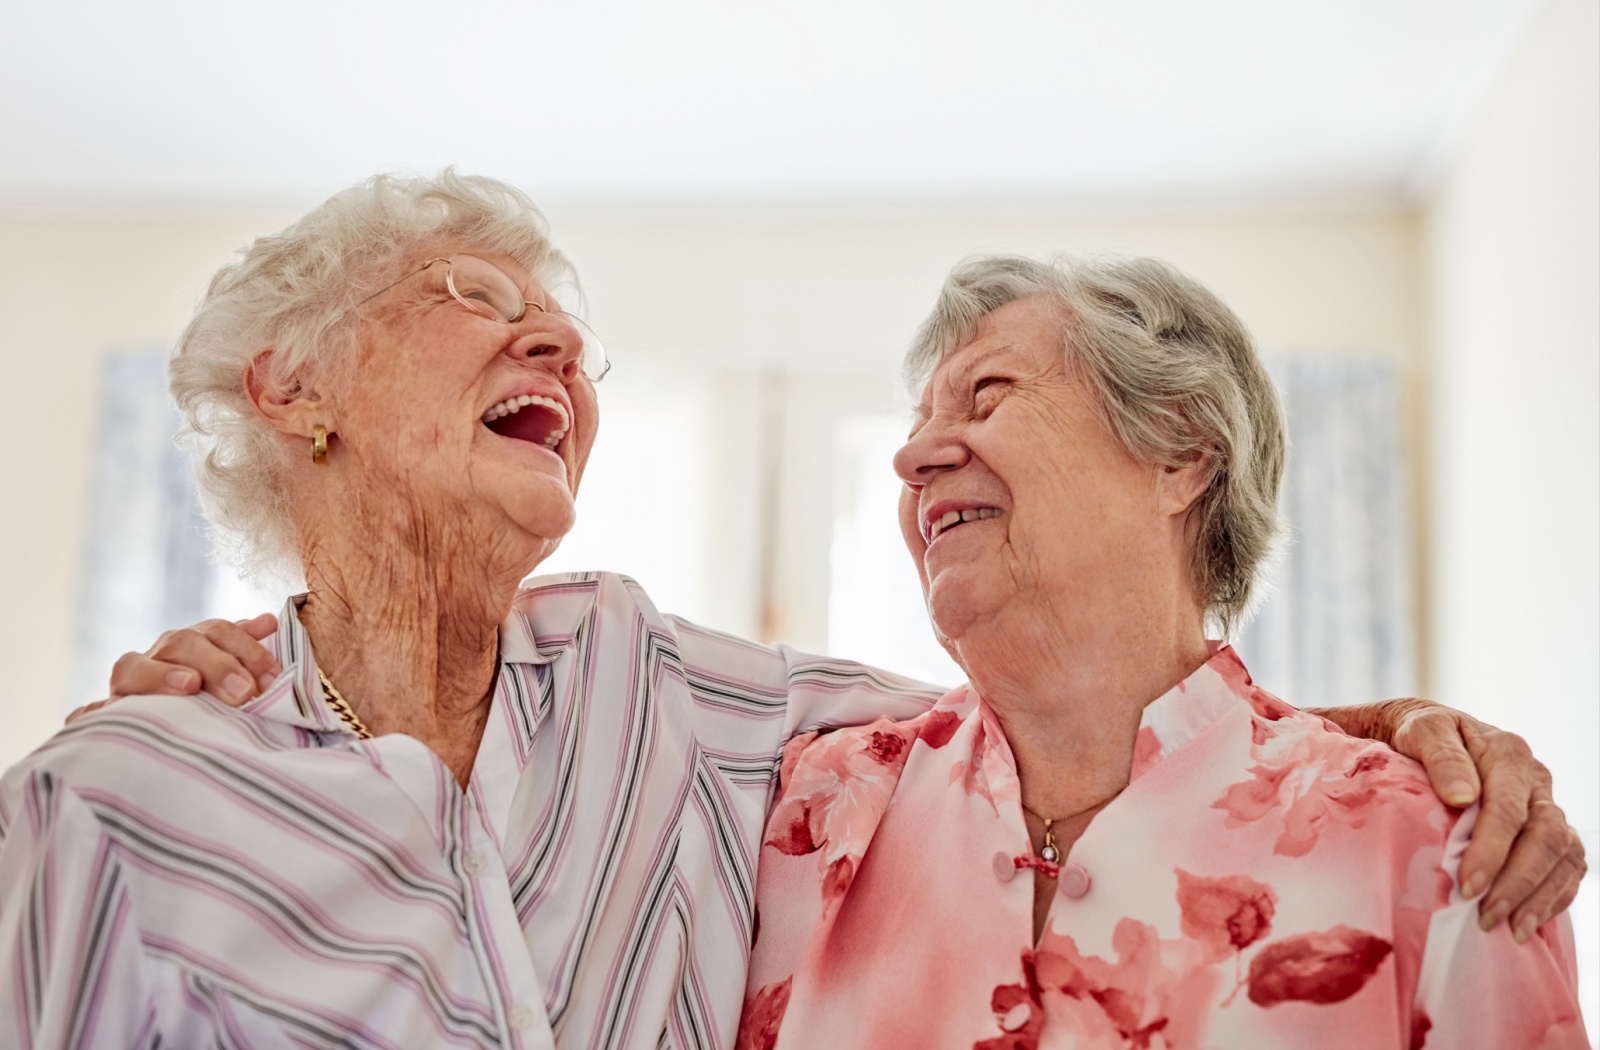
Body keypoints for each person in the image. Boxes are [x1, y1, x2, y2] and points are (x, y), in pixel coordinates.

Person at [24, 174, 1579, 1049]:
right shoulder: (115, 801)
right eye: (480, 300)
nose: (555, 345)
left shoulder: (696, 709)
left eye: (568, 336)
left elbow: (1096, 728)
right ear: (291, 388)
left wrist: (1391, 736)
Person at [736, 255, 1587, 1049]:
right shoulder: (798, 814)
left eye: (987, 396)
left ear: (1179, 453)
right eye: (920, 422)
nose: (912, 458)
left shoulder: (1438, 850)